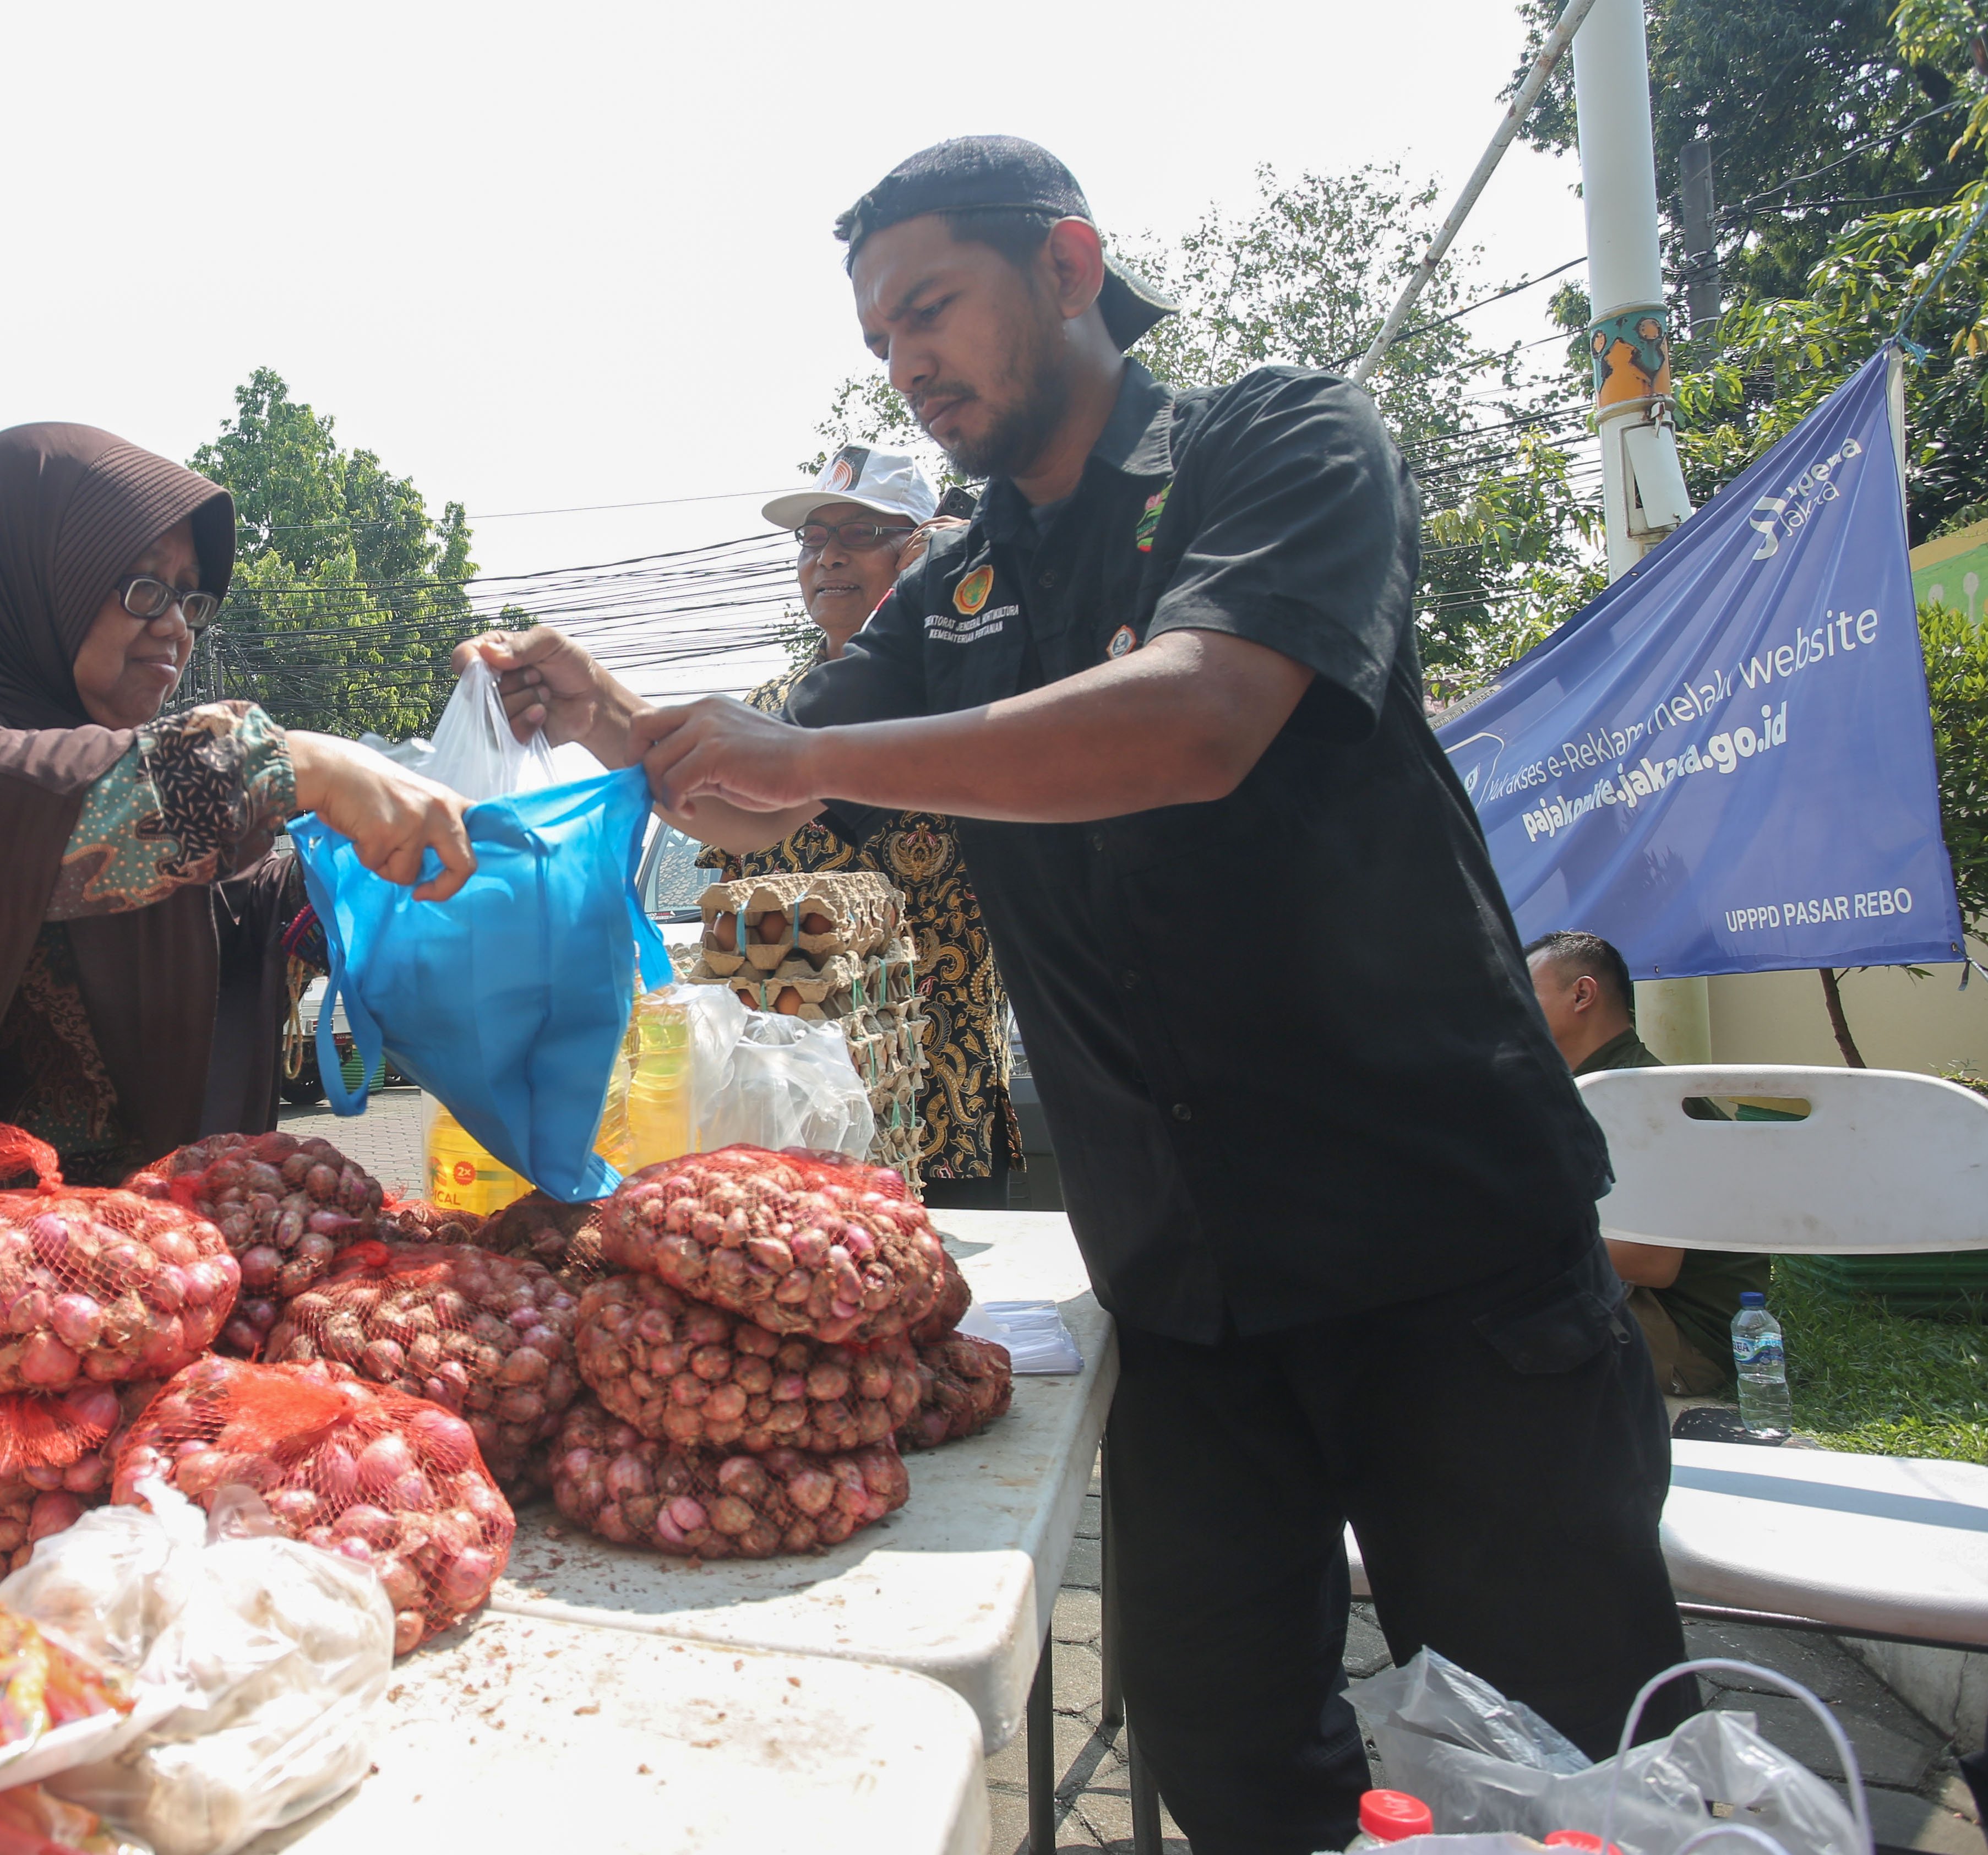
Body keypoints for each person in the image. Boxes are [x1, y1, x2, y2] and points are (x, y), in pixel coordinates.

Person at [468, 137, 1689, 1851]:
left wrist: (799, 739)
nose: (905, 360)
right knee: (1228, 1758)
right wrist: (612, 719)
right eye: (880, 335)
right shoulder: (969, 576)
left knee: (1569, 1767)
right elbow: (778, 789)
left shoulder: (1270, 438)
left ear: (1065, 264)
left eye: (929, 308)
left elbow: (1198, 717)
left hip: (1441, 1246)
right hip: (1188, 1287)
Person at [0, 423, 472, 1367]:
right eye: (140, 586)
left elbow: (255, 914)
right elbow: (24, 816)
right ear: (31, 576)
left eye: (190, 598)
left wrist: (397, 850)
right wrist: (290, 763)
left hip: (139, 1315)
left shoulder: (126, 779)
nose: (174, 625)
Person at [698, 442, 1021, 1209]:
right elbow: (729, 901)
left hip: (942, 1107)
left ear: (921, 548)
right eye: (813, 541)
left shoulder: (972, 690)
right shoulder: (767, 710)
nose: (828, 559)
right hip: (792, 1118)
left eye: (858, 535)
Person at [1527, 928, 1766, 1396]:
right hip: (1641, 1309)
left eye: (1522, 993)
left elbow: (1652, 1261)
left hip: (1683, 1339)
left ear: (1581, 994)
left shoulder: (1636, 1097)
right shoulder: (1599, 1087)